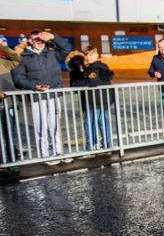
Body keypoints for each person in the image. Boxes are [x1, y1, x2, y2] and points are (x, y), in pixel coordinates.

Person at [12, 30, 71, 164]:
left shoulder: (51, 53)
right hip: (37, 96)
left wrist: (53, 36)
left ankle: (59, 152)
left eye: (41, 39)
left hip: (53, 94)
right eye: (35, 40)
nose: (39, 42)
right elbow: (18, 78)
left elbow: (67, 48)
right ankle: (44, 154)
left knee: (55, 125)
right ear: (30, 41)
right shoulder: (23, 57)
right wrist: (34, 86)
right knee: (41, 126)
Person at [71, 47, 114, 153]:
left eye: (90, 55)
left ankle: (91, 147)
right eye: (86, 55)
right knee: (102, 123)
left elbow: (91, 82)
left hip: (95, 101)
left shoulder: (95, 68)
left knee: (89, 124)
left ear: (96, 55)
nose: (88, 57)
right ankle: (106, 145)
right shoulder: (100, 67)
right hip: (100, 100)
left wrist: (76, 83)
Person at [0, 35, 21, 162]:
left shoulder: (4, 61)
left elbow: (18, 59)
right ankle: (2, 161)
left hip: (8, 103)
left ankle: (11, 160)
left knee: (9, 133)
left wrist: (4, 48)